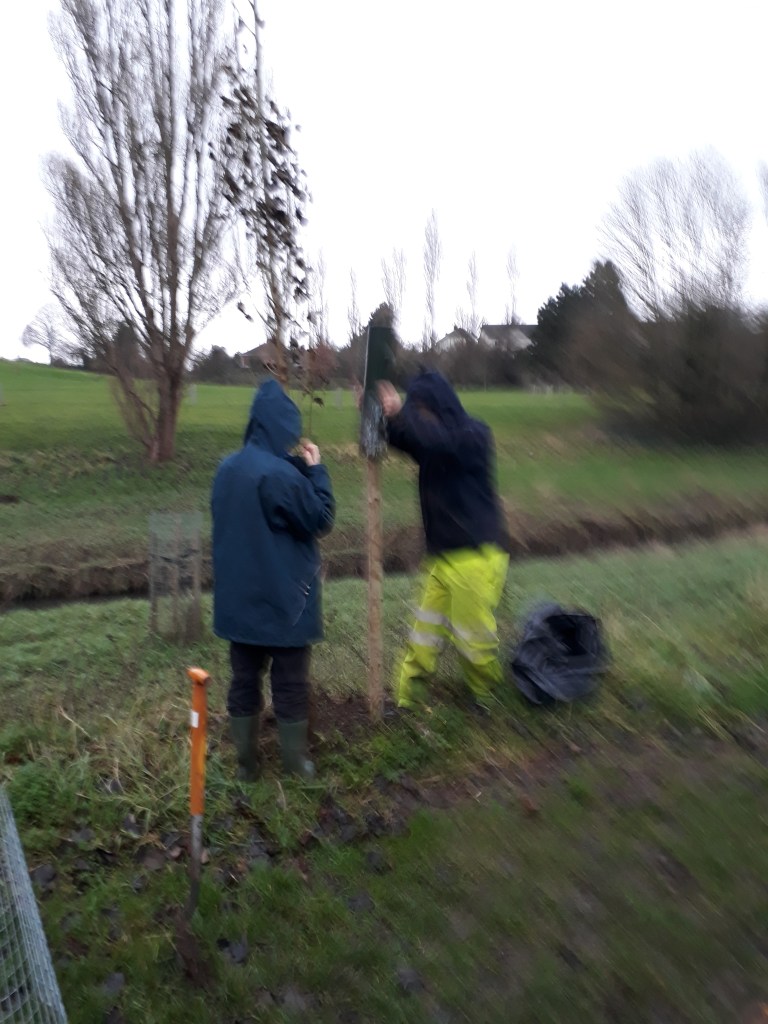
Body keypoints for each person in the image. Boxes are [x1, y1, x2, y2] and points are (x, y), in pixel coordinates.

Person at [211, 379, 335, 781]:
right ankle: (296, 765)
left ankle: (246, 766)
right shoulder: (281, 475)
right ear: (284, 426)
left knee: (244, 681)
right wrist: (316, 470)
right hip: (286, 602)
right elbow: (320, 517)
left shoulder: (226, 471)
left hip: (239, 602)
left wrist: (295, 468)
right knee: (290, 683)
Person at [378, 371, 509, 713]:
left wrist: (403, 413)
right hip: (441, 556)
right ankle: (408, 702)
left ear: (439, 406)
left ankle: (487, 699)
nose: (417, 417)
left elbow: (437, 441)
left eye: (420, 409)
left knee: (473, 639)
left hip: (475, 556)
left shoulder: (473, 435)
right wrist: (384, 418)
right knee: (423, 635)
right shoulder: (433, 441)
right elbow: (411, 439)